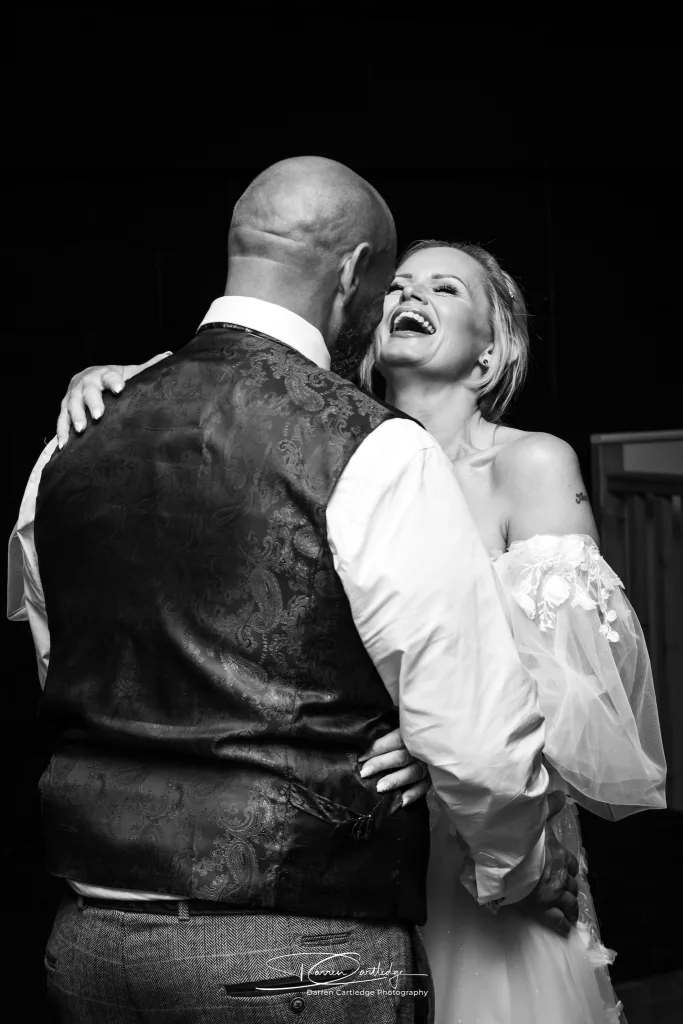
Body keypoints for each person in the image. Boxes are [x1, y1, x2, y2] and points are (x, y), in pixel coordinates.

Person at [7, 161, 579, 1024]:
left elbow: (62, 656)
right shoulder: (371, 449)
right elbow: (477, 739)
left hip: (87, 943)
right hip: (298, 951)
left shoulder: (75, 439)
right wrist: (522, 868)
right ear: (354, 276)